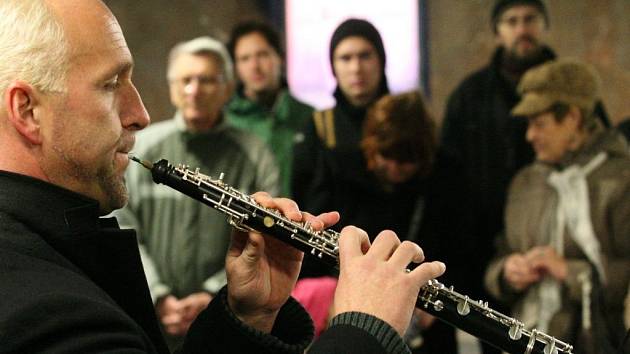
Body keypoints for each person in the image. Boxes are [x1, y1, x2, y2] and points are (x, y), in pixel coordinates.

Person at [0, 1, 447, 353]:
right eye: (111, 83)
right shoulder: (44, 311)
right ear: (27, 111)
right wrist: (363, 331)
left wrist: (246, 317)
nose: (140, 114)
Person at [438, 2, 608, 352]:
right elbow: (450, 183)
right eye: (511, 21)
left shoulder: (575, 89)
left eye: (530, 19)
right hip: (495, 252)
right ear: (497, 31)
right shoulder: (470, 97)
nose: (522, 29)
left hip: (579, 286)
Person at [113, 36, 279, 348]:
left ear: (228, 88)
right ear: (171, 86)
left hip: (224, 317)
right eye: (185, 79)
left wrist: (216, 293)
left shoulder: (255, 154)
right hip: (149, 316)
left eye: (206, 80)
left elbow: (266, 233)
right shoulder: (143, 148)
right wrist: (157, 293)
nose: (194, 90)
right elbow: (122, 223)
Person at [484, 59, 630, 349]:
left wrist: (570, 272)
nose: (530, 136)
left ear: (573, 119)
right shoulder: (527, 182)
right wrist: (507, 272)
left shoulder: (622, 181)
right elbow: (500, 255)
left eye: (540, 124)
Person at [292, 18, 393, 241]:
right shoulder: (318, 127)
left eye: (365, 56)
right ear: (333, 66)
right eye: (345, 58)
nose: (356, 68)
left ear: (381, 60)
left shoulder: (401, 121)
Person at [226, 20, 313, 196]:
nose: (255, 66)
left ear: (280, 57)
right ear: (235, 68)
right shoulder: (225, 121)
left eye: (262, 55)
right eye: (244, 59)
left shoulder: (309, 118)